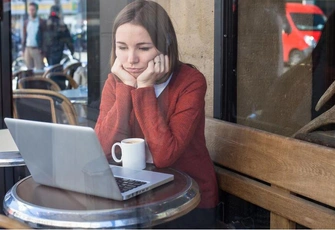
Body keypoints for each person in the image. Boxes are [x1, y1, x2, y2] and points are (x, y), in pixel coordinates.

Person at [94, 0, 219, 228]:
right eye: (122, 47)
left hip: (186, 200)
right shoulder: (116, 81)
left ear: (165, 45)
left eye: (143, 48)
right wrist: (125, 88)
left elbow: (164, 155)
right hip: (137, 198)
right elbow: (102, 147)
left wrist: (144, 89)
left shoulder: (190, 82)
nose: (131, 59)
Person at [22, 2, 45, 70]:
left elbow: (44, 37)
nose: (31, 12)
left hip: (37, 48)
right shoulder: (26, 22)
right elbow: (24, 36)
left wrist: (42, 49)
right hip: (28, 48)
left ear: (36, 10)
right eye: (30, 10)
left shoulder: (41, 22)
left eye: (33, 10)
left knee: (39, 68)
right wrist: (23, 49)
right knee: (29, 69)